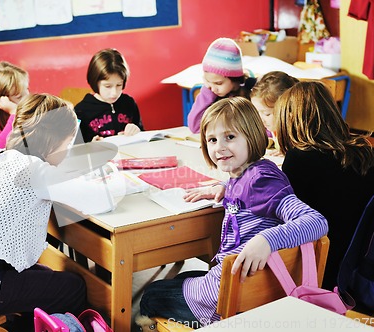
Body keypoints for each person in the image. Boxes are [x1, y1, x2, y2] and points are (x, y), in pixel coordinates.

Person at [0, 93, 116, 331]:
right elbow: (99, 200)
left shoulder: (2, 158)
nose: (68, 151)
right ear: (51, 141)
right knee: (72, 287)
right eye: (67, 144)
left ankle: (29, 324)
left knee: (46, 276)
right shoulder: (36, 172)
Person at [137, 97, 328, 328]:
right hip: (251, 288)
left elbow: (316, 221)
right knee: (182, 278)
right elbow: (252, 196)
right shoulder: (254, 172)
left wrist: (265, 240)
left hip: (232, 299)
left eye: (230, 137)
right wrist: (224, 188)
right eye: (212, 139)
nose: (220, 147)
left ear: (253, 134)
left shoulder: (261, 181)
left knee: (150, 294)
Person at [275, 81, 374, 290]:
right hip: (361, 268)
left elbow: (285, 221)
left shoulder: (300, 159)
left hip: (318, 270)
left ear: (290, 120)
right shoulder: (369, 154)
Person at [187, 38, 256, 133]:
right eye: (208, 81)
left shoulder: (252, 92)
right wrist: (207, 93)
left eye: (218, 83)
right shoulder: (211, 94)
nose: (213, 88)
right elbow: (195, 127)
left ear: (234, 78)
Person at [75, 48, 144, 142]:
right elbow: (74, 149)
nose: (114, 93)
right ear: (95, 82)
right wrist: (90, 146)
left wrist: (137, 131)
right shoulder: (81, 111)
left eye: (119, 85)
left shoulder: (129, 103)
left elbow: (143, 135)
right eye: (107, 86)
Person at [0, 61, 30, 149]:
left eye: (27, 90)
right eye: (19, 97)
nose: (27, 98)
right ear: (0, 100)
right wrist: (14, 114)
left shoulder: (27, 111)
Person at [250, 71, 299, 154]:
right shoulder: (272, 127)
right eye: (257, 112)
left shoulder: (297, 133)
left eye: (266, 114)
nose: (260, 119)